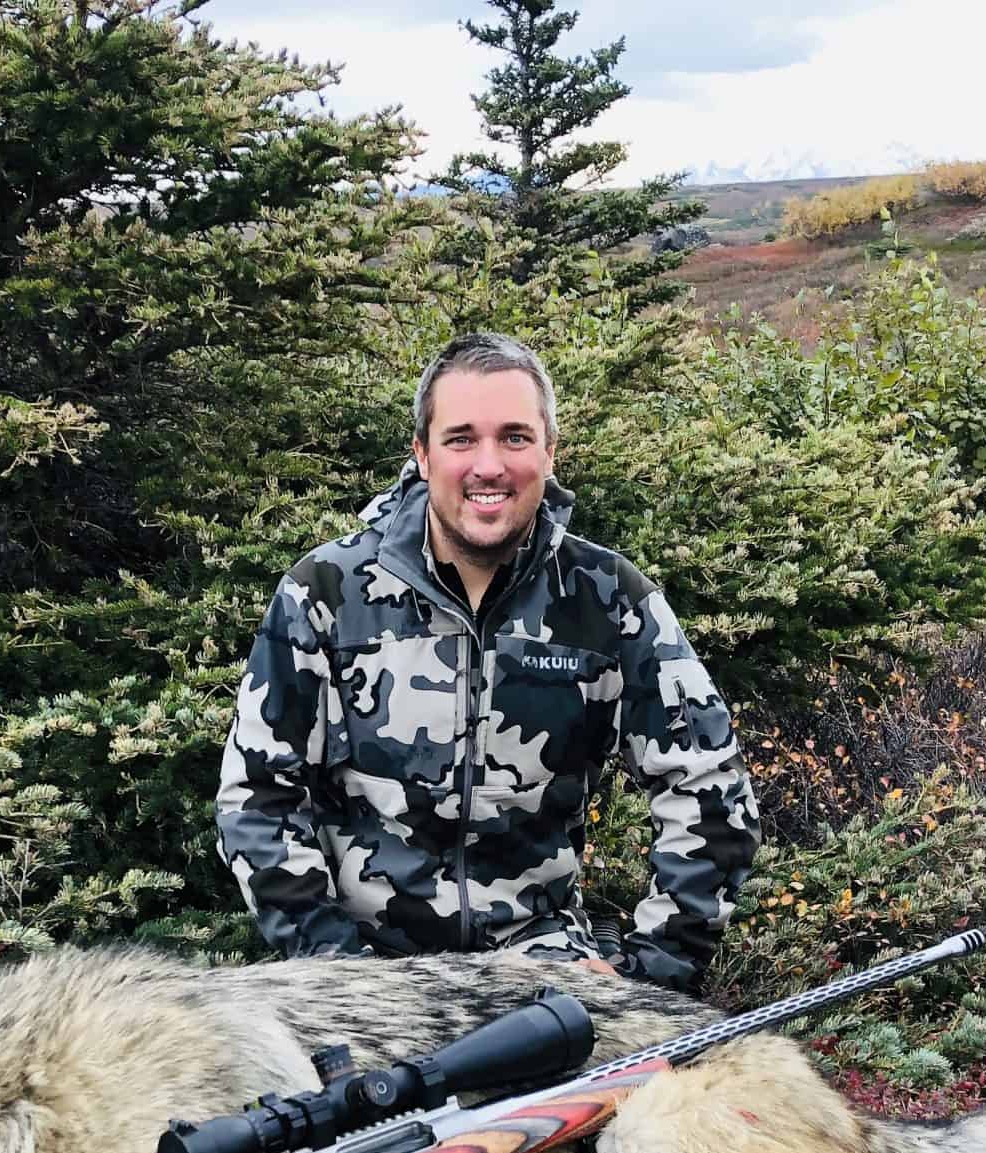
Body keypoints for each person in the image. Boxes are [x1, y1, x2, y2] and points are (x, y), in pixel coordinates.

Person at [215, 332, 759, 989]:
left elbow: (709, 788)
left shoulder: (610, 598)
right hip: (362, 980)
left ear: (550, 452)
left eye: (515, 437)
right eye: (461, 438)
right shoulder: (325, 593)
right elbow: (257, 800)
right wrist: (335, 973)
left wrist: (652, 977)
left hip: (542, 970)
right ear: (421, 453)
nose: (489, 465)